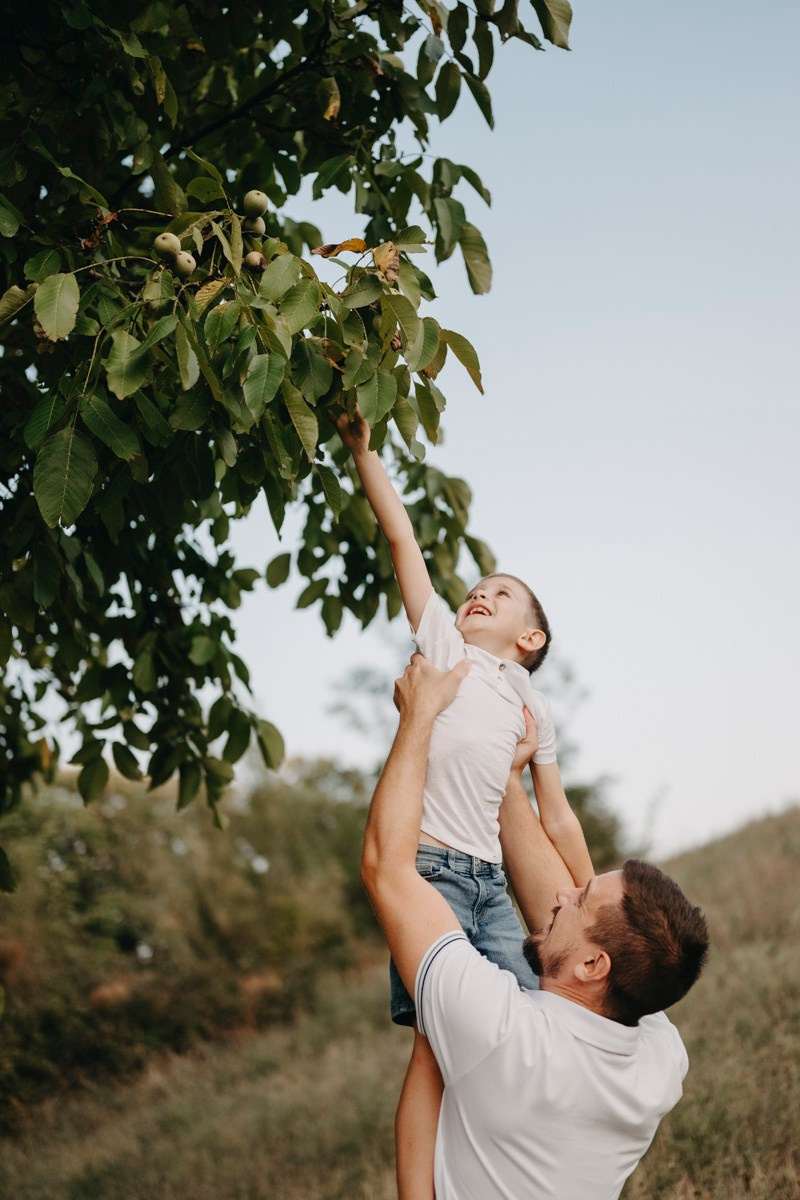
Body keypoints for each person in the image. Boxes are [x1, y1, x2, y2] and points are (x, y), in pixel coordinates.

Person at [337, 410, 593, 1198]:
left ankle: (493, 1169)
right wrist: (364, 452)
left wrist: (597, 901)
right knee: (436, 1049)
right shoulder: (442, 648)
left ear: (531, 640)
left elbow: (555, 817)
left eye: (502, 594)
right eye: (477, 589)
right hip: (431, 876)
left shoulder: (530, 709)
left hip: (490, 886)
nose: (480, 594)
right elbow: (404, 543)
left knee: (525, 1027)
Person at [361, 655, 710, 1200]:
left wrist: (419, 716)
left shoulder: (504, 1033)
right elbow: (583, 922)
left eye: (582, 898)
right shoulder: (659, 1058)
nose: (565, 891)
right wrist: (501, 777)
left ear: (594, 966)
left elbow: (388, 867)